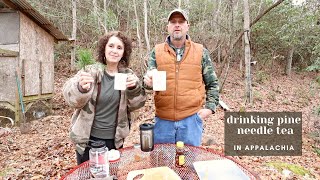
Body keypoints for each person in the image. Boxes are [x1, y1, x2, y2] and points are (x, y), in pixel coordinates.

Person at [63, 31, 146, 164]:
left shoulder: (128, 75)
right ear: (104, 49)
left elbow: (138, 105)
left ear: (124, 52)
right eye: (111, 46)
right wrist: (80, 88)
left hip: (115, 141)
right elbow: (70, 99)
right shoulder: (90, 71)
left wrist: (133, 89)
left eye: (119, 48)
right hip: (88, 141)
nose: (114, 51)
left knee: (111, 175)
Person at [143, 9, 219, 146]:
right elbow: (149, 81)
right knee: (163, 165)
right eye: (173, 22)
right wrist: (148, 81)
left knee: (189, 165)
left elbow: (212, 83)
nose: (177, 25)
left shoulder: (201, 51)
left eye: (181, 22)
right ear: (168, 27)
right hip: (163, 122)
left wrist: (209, 108)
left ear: (187, 26)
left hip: (191, 121)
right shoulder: (157, 51)